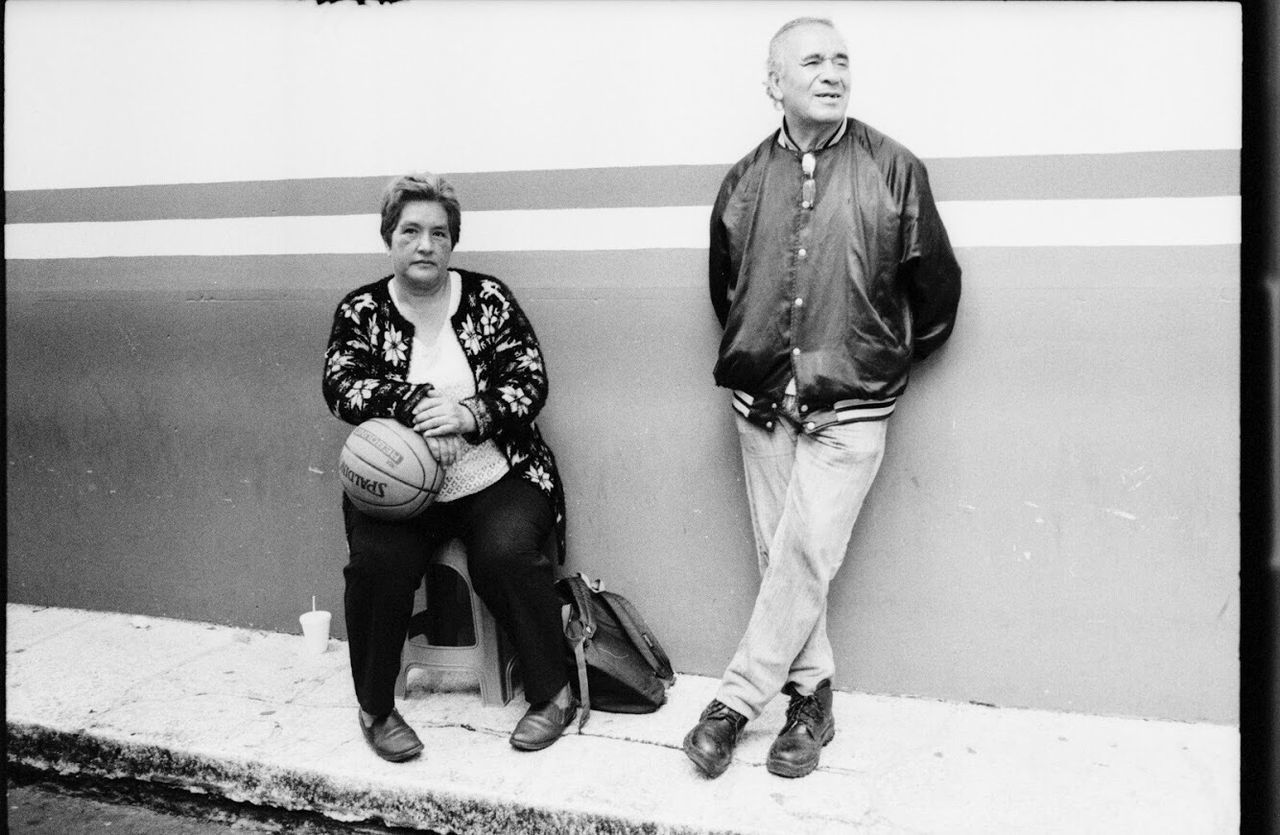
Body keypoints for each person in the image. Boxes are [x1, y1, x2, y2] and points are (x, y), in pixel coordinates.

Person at [684, 17, 961, 780]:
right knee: (786, 560)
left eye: (842, 60)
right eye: (813, 61)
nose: (833, 72)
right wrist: (764, 362)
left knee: (803, 550)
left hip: (853, 407)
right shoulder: (741, 182)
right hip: (762, 407)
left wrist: (878, 363)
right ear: (774, 82)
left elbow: (936, 291)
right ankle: (812, 703)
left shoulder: (893, 168)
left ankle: (735, 702)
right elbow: (728, 290)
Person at [322, 172, 576, 760]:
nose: (425, 244)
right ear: (389, 237)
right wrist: (415, 407)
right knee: (376, 568)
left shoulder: (489, 299)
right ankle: (376, 710)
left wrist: (468, 415)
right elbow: (341, 386)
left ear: (453, 242)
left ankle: (553, 693)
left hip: (495, 473)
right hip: (400, 489)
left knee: (506, 553)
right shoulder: (361, 310)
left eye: (439, 232)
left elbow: (529, 381)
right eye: (410, 231)